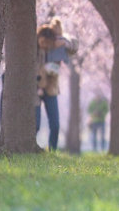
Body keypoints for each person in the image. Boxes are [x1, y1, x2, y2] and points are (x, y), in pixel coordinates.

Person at [36, 22, 78, 150]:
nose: (45, 46)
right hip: (35, 89)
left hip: (51, 89)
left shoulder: (57, 47)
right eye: (42, 43)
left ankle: (52, 150)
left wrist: (65, 42)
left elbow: (74, 46)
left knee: (55, 124)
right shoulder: (34, 49)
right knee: (35, 124)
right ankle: (28, 148)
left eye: (48, 43)